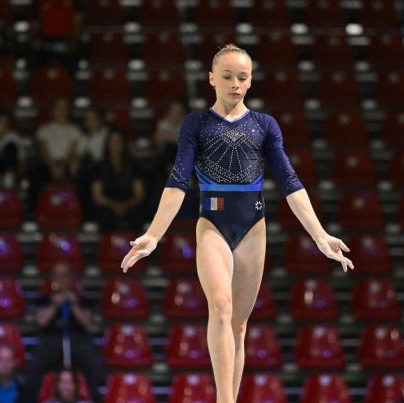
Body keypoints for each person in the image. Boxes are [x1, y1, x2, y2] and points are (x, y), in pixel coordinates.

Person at [120, 44, 355, 403]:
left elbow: (290, 182)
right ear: (212, 78)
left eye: (242, 77)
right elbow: (178, 180)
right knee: (220, 304)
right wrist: (154, 234)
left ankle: (231, 397)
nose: (234, 84)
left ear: (250, 81)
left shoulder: (264, 125)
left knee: (239, 326)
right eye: (227, 76)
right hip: (212, 223)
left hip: (252, 227)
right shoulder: (196, 124)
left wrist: (320, 235)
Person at [22, 262, 104, 402]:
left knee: (96, 364)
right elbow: (41, 322)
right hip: (51, 339)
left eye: (65, 275)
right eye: (58, 275)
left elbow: (87, 322)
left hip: (78, 338)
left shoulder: (82, 299)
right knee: (33, 367)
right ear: (53, 278)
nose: (62, 279)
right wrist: (55, 304)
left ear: (72, 278)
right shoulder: (44, 299)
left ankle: (94, 399)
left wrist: (73, 303)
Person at [29, 97, 83, 210]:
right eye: (58, 107)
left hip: (66, 164)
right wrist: (53, 166)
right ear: (52, 111)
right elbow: (43, 151)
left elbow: (72, 151)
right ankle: (33, 211)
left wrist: (63, 166)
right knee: (34, 175)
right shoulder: (43, 129)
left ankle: (83, 213)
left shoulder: (75, 130)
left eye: (64, 108)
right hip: (48, 164)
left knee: (83, 175)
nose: (61, 110)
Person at [89, 128, 146, 231]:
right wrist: (114, 206)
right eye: (113, 141)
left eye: (119, 141)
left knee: (138, 214)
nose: (116, 145)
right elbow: (97, 195)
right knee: (103, 215)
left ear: (124, 144)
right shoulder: (99, 166)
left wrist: (125, 205)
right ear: (108, 144)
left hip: (129, 203)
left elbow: (139, 194)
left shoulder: (134, 166)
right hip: (107, 204)